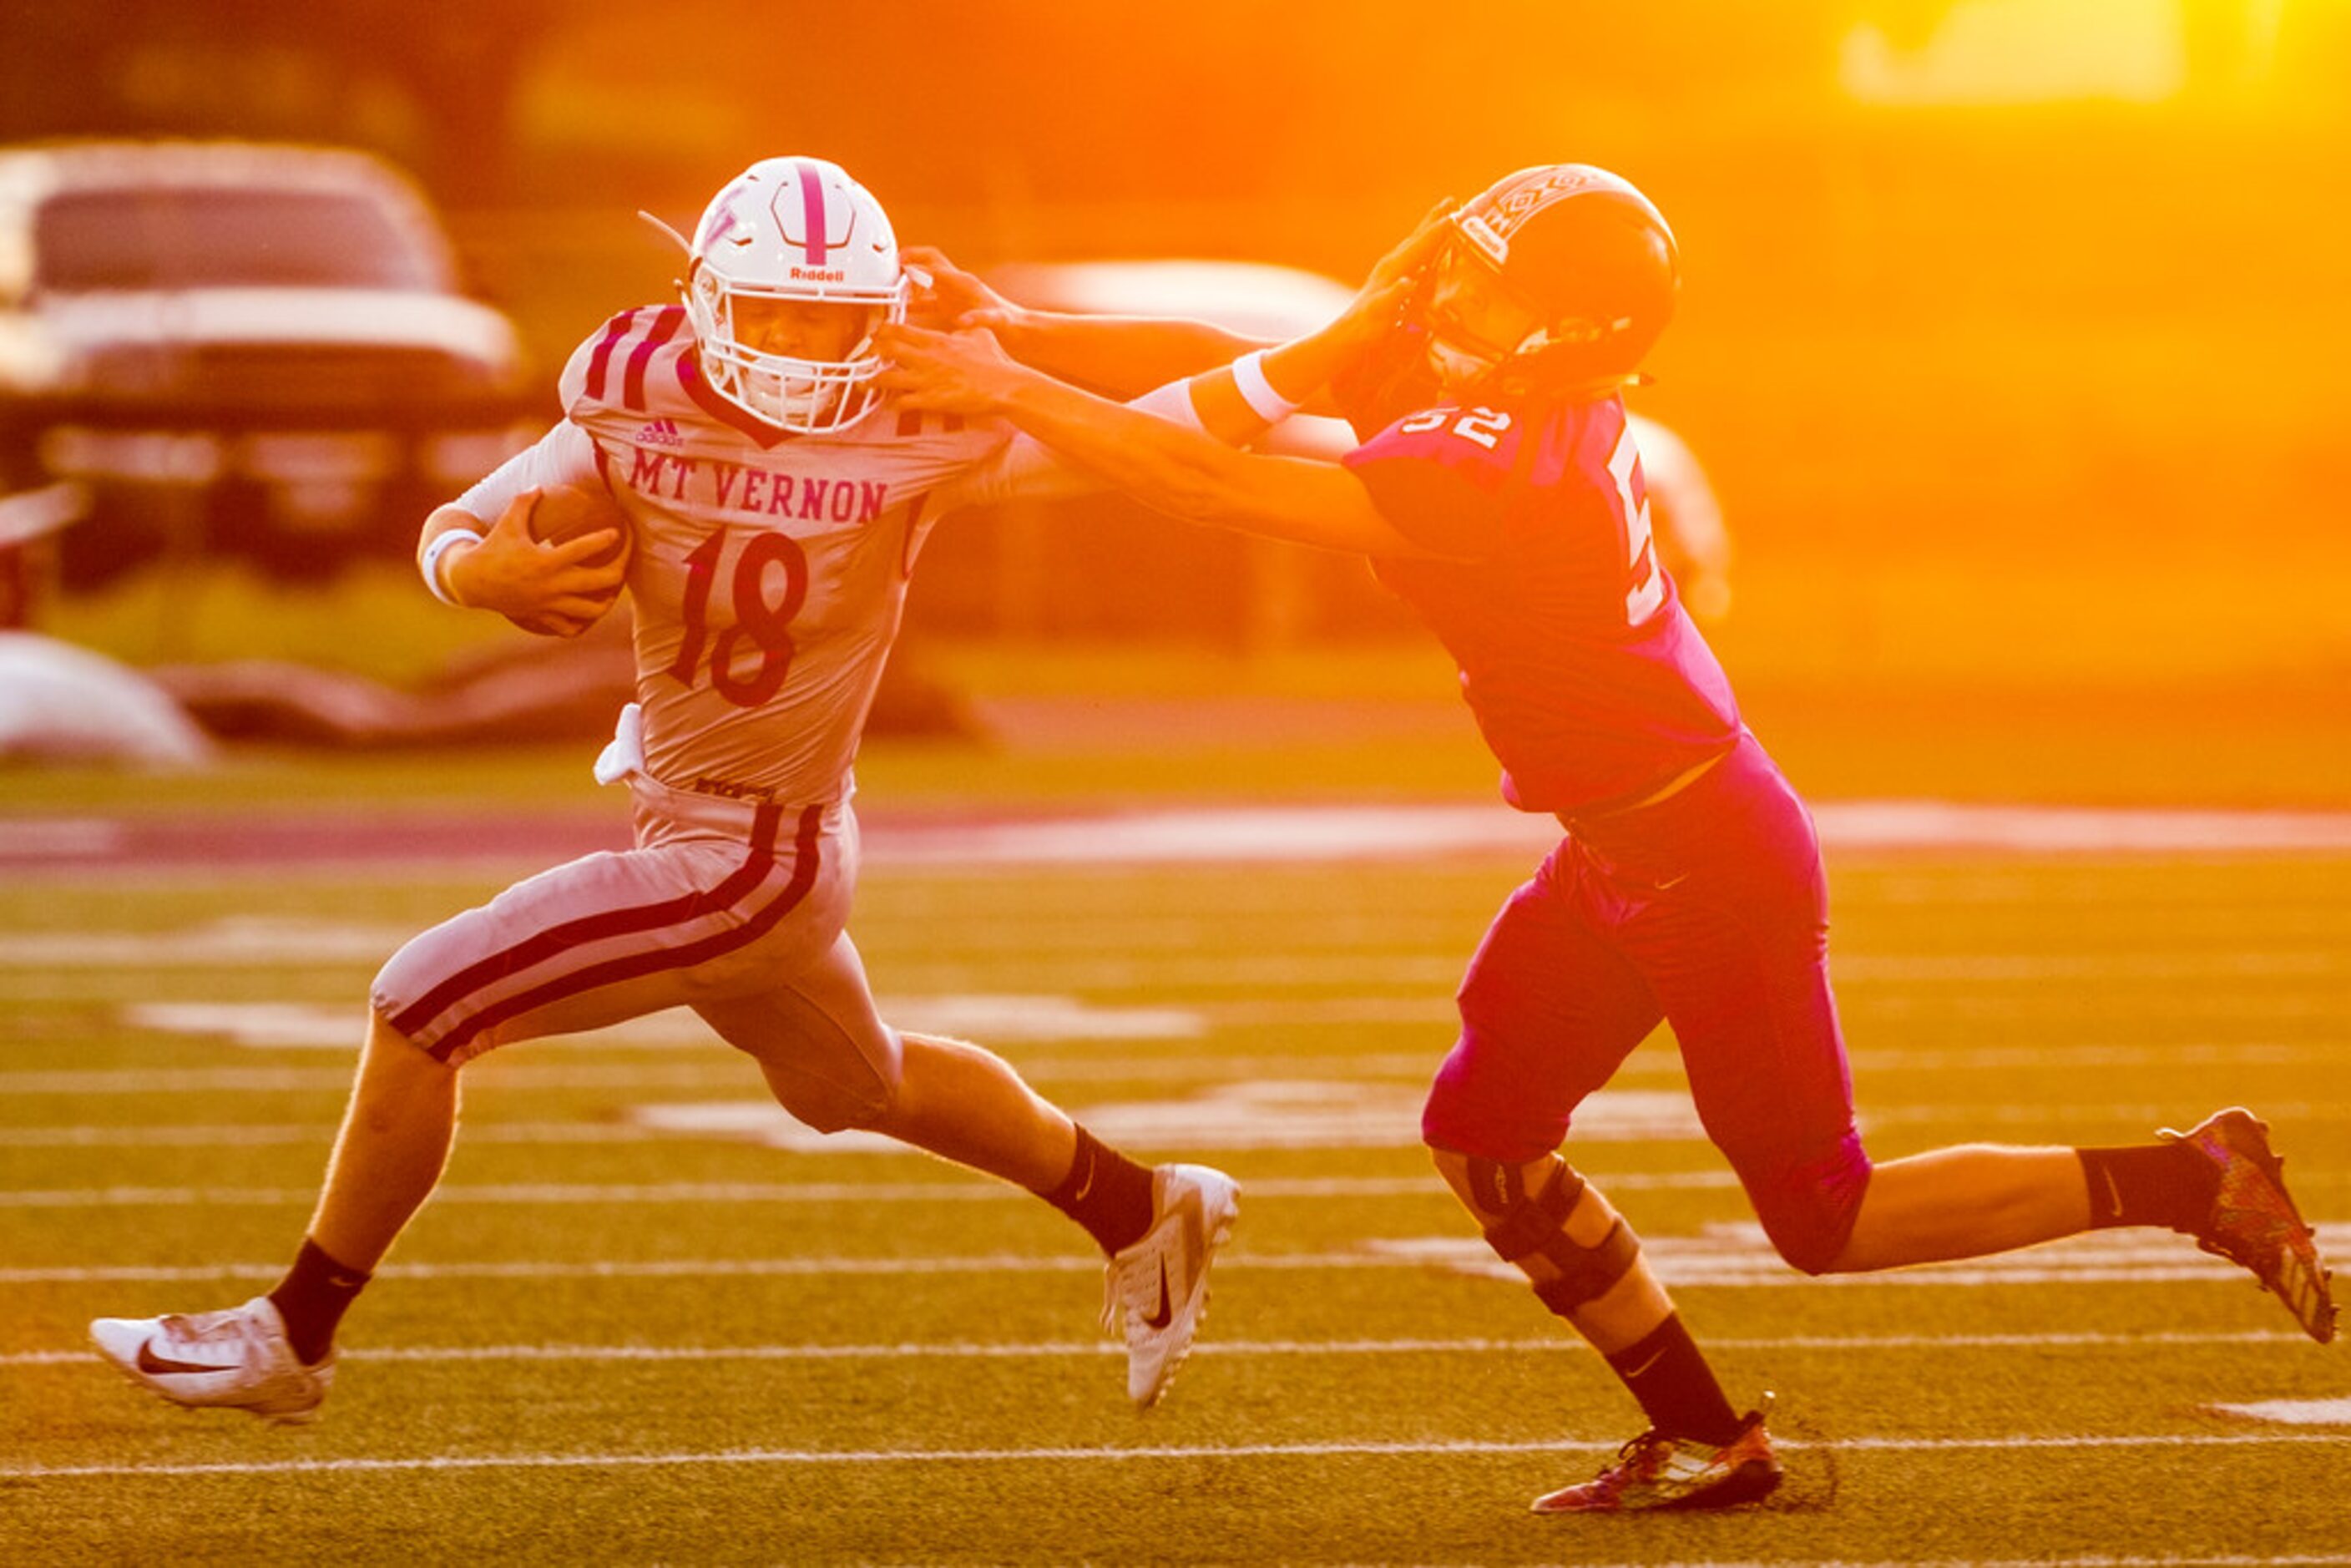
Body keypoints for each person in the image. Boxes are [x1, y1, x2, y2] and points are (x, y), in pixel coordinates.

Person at [874, 164, 2341, 1513]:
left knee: (1824, 1215)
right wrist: (1018, 326)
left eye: (1487, 286)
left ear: (1567, 329)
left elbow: (1202, 474)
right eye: (1464, 266)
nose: (1447, 296)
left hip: (1709, 853)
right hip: (1615, 847)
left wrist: (1000, 377)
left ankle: (2188, 1177)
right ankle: (1712, 1433)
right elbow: (1249, 372)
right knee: (1487, 1141)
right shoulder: (1484, 383)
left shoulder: (1506, 463)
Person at [88, 154, 1246, 1424]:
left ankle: (290, 1334)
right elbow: (458, 529)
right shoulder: (632, 384)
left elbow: (1194, 407)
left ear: (882, 314)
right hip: (701, 817)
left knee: (422, 1003)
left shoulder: (926, 416)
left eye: (832, 316)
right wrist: (486, 582)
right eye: (776, 310)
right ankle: (1140, 1202)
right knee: (854, 1086)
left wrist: (1292, 357)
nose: (804, 344)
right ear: (703, 295)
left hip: (752, 860)